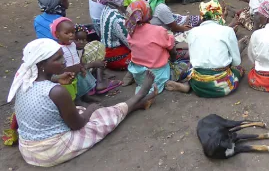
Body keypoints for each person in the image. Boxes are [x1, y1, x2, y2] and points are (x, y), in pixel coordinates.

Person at [9, 38, 158, 168]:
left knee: (77, 109)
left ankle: (136, 105)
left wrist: (56, 78)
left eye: (62, 56)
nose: (63, 62)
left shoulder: (23, 80)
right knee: (99, 117)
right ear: (41, 64)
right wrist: (90, 109)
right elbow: (78, 125)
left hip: (28, 149)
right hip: (50, 151)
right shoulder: (56, 92)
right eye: (57, 59)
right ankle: (138, 96)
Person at [125, 0, 192, 94]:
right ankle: (168, 82)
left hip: (140, 77)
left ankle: (133, 77)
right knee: (189, 63)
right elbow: (172, 50)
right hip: (159, 75)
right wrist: (173, 61)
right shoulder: (158, 31)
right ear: (146, 13)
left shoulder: (131, 33)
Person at [186, 0, 246, 98]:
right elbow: (236, 62)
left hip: (198, 85)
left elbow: (192, 59)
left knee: (191, 68)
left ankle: (187, 86)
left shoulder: (192, 32)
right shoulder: (228, 31)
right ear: (219, 14)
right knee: (239, 69)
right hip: (222, 85)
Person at [98, 0, 131, 70]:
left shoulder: (107, 8)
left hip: (106, 50)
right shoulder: (117, 19)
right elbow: (130, 43)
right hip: (115, 55)